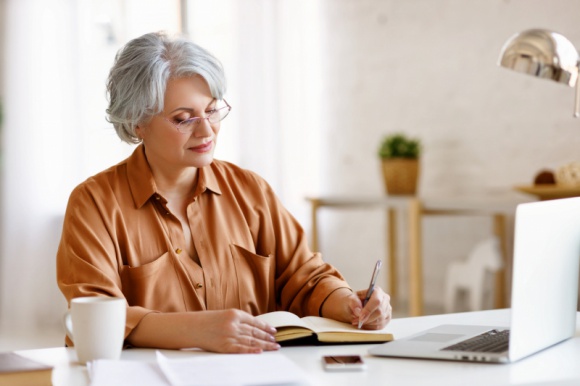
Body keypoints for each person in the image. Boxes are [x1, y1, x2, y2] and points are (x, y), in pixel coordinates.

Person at [56, 31, 392, 354]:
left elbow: (305, 277)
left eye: (213, 110)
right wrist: (198, 330)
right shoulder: (93, 204)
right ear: (136, 122)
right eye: (183, 118)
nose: (206, 131)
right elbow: (95, 318)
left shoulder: (250, 190)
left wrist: (349, 304)